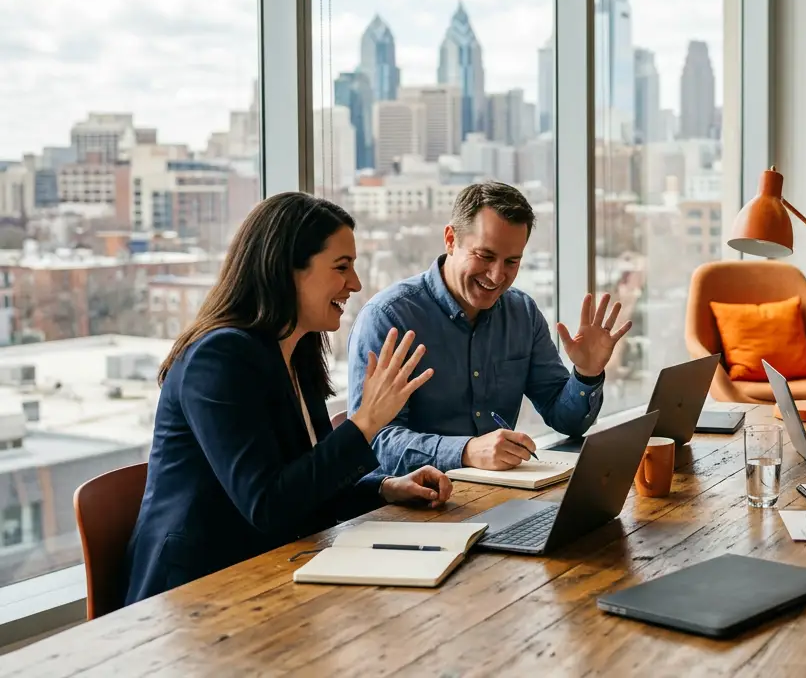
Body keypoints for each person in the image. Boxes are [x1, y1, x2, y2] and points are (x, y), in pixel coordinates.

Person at [125, 193, 449, 605]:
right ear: (288, 270)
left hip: (268, 573)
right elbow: (268, 504)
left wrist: (385, 489)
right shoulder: (218, 358)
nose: (356, 283)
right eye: (341, 267)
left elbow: (303, 486)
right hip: (193, 595)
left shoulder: (297, 353)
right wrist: (365, 422)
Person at [348, 181, 632, 474]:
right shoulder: (389, 318)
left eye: (512, 261)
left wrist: (586, 374)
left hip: (499, 496)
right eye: (485, 256)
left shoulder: (522, 313)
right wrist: (466, 452)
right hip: (415, 508)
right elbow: (373, 443)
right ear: (450, 239)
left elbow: (566, 420)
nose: (497, 276)